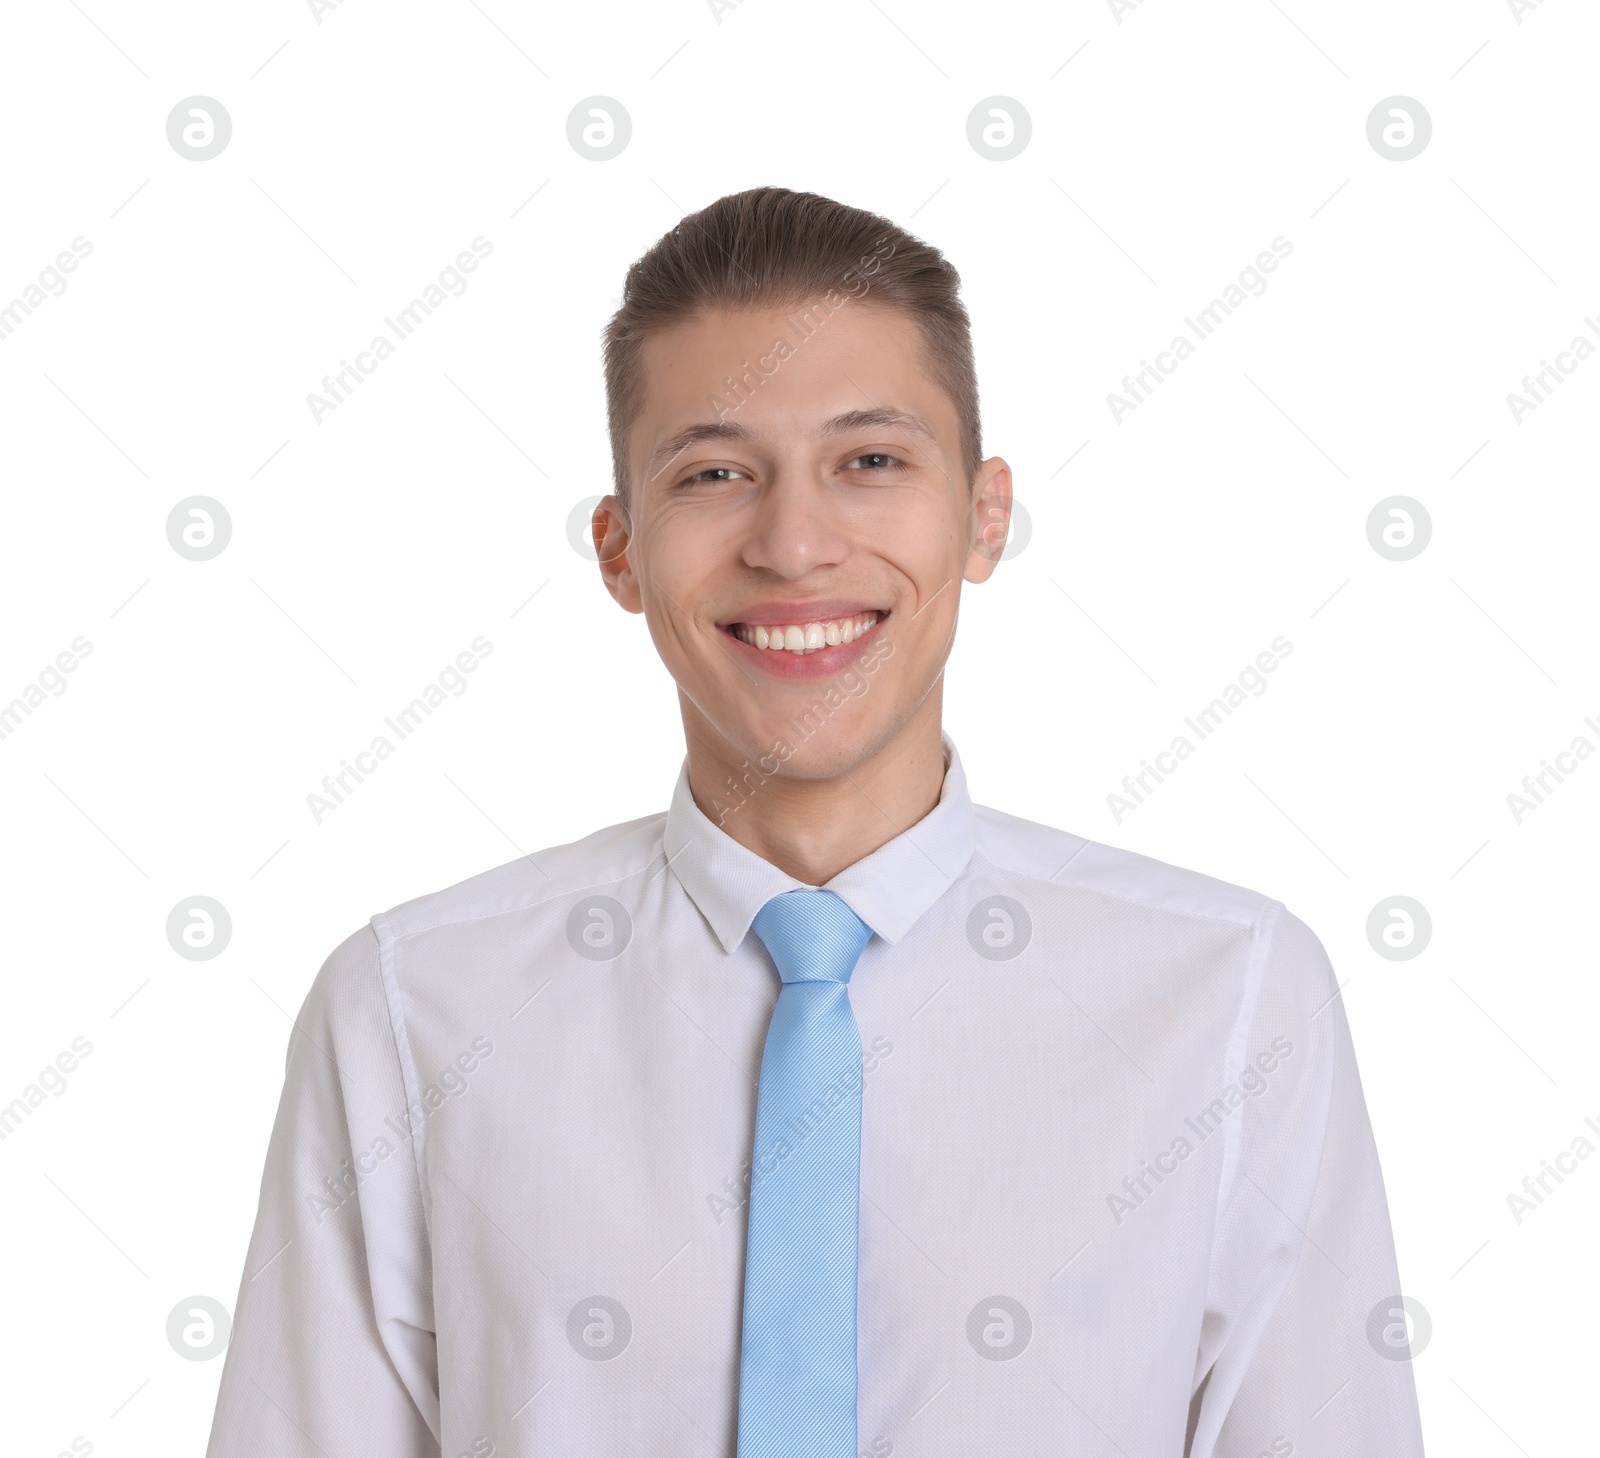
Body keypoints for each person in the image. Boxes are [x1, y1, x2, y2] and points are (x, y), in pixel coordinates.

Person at [205, 186, 1426, 1457]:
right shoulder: (412, 1012)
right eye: (716, 473)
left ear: (983, 513)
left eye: (871, 462)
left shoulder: (1229, 997)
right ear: (620, 550)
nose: (793, 544)